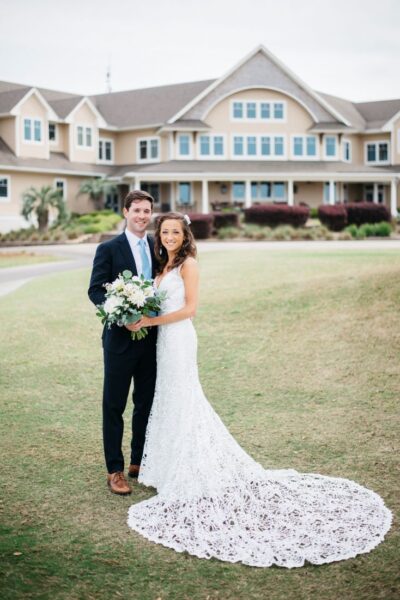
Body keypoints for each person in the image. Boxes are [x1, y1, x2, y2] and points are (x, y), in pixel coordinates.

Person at [126, 211, 392, 568]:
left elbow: (190, 310)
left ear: (185, 235)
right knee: (170, 399)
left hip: (179, 341)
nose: (170, 236)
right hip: (163, 343)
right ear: (159, 237)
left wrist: (151, 320)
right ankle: (167, 467)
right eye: (165, 232)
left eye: (175, 231)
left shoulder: (188, 264)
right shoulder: (164, 266)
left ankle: (191, 468)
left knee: (185, 398)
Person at [88, 190, 157, 496]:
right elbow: (95, 290)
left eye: (147, 211)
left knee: (145, 403)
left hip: (152, 341)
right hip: (119, 340)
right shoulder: (109, 248)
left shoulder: (157, 247)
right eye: (137, 210)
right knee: (114, 405)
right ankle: (114, 470)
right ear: (126, 212)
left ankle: (138, 462)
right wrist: (121, 312)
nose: (142, 216)